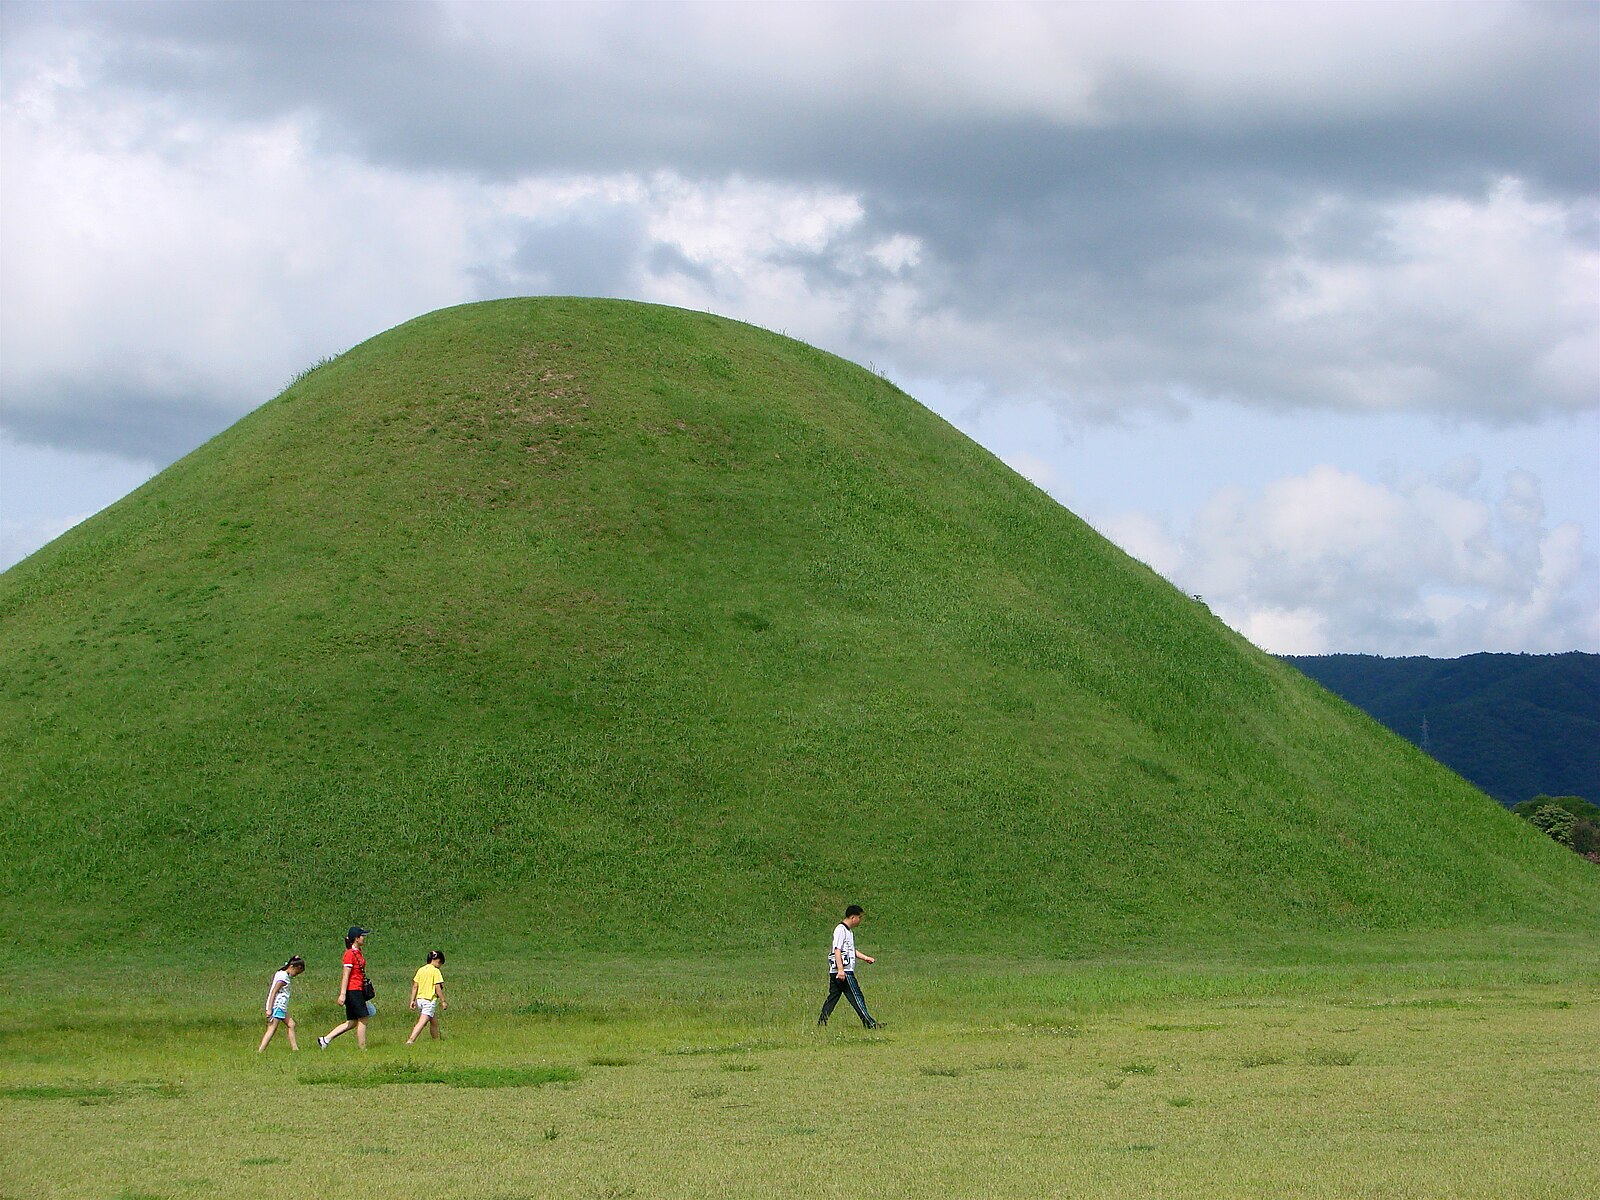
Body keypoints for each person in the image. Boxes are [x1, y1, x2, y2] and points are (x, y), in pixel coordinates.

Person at [818, 904, 879, 1028]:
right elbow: (837, 950)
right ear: (852, 917)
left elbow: (851, 951)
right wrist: (841, 970)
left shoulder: (848, 932)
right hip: (844, 972)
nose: (860, 920)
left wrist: (866, 958)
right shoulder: (841, 930)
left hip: (839, 971)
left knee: (833, 998)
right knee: (857, 997)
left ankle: (821, 1023)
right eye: (859, 917)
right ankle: (870, 1024)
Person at [318, 927, 371, 1049]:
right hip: (353, 990)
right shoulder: (349, 954)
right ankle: (363, 1048)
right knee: (363, 1018)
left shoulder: (358, 952)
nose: (364, 938)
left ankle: (325, 1040)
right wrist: (343, 994)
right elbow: (346, 974)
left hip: (358, 989)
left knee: (352, 1022)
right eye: (362, 936)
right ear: (356, 938)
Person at [257, 955, 305, 1052]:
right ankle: (260, 1050)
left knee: (291, 1024)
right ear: (291, 967)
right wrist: (269, 1009)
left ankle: (295, 1049)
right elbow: (274, 991)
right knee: (272, 1028)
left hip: (281, 1007)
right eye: (296, 972)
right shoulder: (283, 978)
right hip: (277, 1006)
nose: (296, 974)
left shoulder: (281, 974)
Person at [405, 950, 448, 1045]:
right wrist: (443, 1001)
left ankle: (436, 1041)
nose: (440, 965)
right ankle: (411, 1040)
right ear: (437, 960)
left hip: (420, 1000)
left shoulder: (421, 970)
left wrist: (412, 1000)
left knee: (434, 1022)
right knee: (422, 1022)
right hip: (429, 1000)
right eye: (440, 963)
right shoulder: (435, 971)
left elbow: (415, 986)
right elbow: (438, 987)